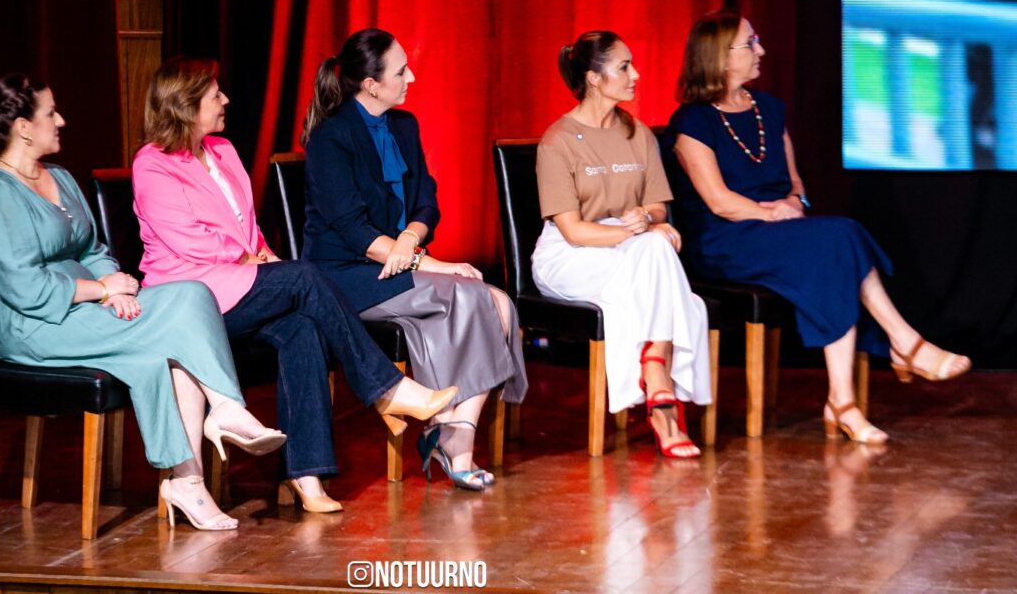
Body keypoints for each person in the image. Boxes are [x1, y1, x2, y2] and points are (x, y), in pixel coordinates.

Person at [131, 58, 457, 513]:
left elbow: (247, 226)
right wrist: (250, 259)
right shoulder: (152, 165)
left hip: (240, 281)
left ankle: (306, 474)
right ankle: (386, 388)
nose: (226, 100)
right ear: (185, 107)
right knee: (304, 275)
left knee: (303, 325)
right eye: (214, 96)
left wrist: (260, 253)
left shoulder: (222, 151)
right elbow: (186, 239)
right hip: (193, 299)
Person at [0, 73, 284, 532]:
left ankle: (193, 471)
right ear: (23, 127)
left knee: (192, 295)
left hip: (87, 309)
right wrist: (103, 291)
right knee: (171, 336)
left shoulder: (59, 178)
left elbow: (91, 250)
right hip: (34, 325)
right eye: (50, 113)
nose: (62, 120)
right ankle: (216, 428)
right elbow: (24, 290)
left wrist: (111, 284)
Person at [667, 10, 971, 444]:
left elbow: (794, 183)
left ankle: (845, 399)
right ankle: (902, 345)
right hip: (726, 239)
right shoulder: (692, 122)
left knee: (834, 247)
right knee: (839, 237)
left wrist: (792, 202)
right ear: (719, 56)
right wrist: (772, 213)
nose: (761, 50)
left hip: (780, 230)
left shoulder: (767, 109)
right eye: (750, 43)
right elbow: (718, 201)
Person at [299, 28, 528, 491]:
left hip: (399, 262)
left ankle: (452, 434)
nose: (412, 77)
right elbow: (353, 232)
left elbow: (427, 200)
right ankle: (455, 443)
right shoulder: (330, 139)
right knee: (486, 301)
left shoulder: (405, 126)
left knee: (497, 304)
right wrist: (432, 263)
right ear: (370, 85)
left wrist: (410, 239)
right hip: (348, 275)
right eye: (401, 70)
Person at [531, 31, 709, 458]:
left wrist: (647, 220)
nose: (636, 75)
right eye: (624, 66)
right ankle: (662, 390)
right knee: (661, 262)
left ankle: (656, 378)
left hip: (631, 249)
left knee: (655, 251)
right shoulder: (556, 141)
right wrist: (639, 232)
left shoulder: (639, 134)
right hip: (570, 255)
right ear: (593, 78)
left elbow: (657, 210)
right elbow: (574, 231)